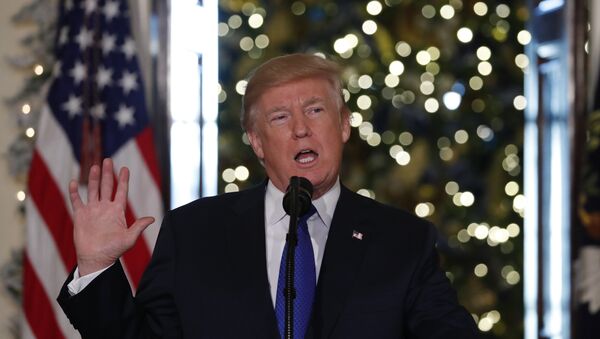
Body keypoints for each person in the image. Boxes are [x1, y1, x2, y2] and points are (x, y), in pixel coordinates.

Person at [57, 53, 479, 338]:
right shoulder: (194, 232)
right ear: (257, 142)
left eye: (315, 110)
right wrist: (96, 266)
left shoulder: (402, 241)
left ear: (344, 125)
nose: (301, 129)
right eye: (280, 118)